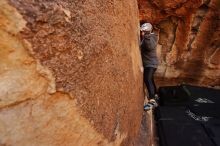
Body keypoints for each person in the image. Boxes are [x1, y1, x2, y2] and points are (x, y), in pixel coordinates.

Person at [140, 23, 159, 111]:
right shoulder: (148, 37)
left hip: (151, 63)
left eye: (144, 31)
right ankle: (155, 95)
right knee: (150, 79)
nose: (142, 33)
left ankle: (152, 101)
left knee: (147, 79)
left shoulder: (152, 37)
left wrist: (146, 35)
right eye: (142, 31)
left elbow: (150, 47)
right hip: (150, 63)